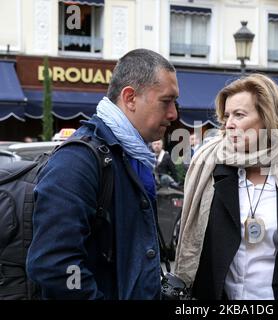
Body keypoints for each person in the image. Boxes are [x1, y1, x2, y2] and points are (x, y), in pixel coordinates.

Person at [26, 49, 179, 299]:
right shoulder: (78, 160)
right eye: (166, 101)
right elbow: (54, 265)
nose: (174, 114)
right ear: (130, 98)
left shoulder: (131, 155)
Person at [174, 74, 278, 300]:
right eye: (227, 115)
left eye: (239, 115)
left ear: (267, 117)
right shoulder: (208, 162)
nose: (228, 124)